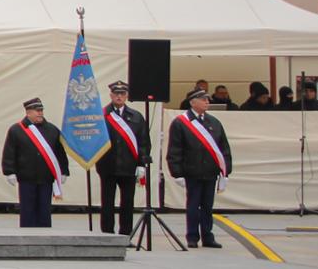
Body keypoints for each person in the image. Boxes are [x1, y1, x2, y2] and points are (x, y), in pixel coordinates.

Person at [166, 89, 232, 249]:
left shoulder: (214, 122)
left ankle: (208, 237)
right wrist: (177, 173)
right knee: (193, 205)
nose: (207, 102)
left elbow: (224, 149)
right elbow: (175, 150)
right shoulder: (180, 123)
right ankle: (192, 236)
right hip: (192, 171)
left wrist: (226, 172)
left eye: (207, 99)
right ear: (192, 102)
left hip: (210, 171)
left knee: (207, 206)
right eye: (203, 99)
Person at [2, 97, 67, 228]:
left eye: (41, 110)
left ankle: (45, 238)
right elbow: (9, 152)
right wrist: (9, 172)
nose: (40, 113)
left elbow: (60, 153)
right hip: (26, 177)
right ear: (28, 112)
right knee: (27, 211)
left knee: (44, 211)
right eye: (36, 110)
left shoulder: (52, 130)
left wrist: (64, 171)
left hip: (46, 178)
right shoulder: (16, 130)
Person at [97, 81, 150, 236]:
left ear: (127, 96)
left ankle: (125, 234)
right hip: (108, 165)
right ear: (111, 95)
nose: (119, 96)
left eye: (122, 94)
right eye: (116, 94)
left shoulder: (136, 117)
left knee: (127, 202)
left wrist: (141, 163)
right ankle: (107, 234)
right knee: (107, 202)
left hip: (129, 166)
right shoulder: (102, 115)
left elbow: (144, 141)